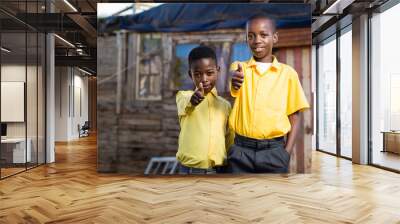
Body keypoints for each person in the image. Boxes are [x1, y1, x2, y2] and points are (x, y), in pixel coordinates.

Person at [227, 15, 310, 173]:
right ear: (247, 39)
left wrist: (286, 153)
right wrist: (235, 82)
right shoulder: (239, 68)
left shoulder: (288, 74)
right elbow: (233, 86)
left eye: (263, 35)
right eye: (251, 36)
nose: (257, 40)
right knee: (240, 197)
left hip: (274, 152)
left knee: (272, 196)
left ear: (275, 37)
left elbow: (295, 117)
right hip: (240, 151)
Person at [176, 46, 234, 174]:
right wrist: (194, 99)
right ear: (190, 75)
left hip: (219, 172)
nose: (204, 79)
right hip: (190, 172)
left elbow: (229, 140)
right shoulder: (183, 96)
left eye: (209, 73)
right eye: (197, 74)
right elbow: (188, 103)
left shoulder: (225, 106)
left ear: (218, 71)